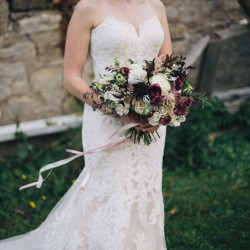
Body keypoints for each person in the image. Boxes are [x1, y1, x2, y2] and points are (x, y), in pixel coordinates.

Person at [0, 0, 172, 249]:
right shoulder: (88, 7)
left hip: (151, 121)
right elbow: (71, 78)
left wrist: (160, 108)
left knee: (144, 186)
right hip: (107, 120)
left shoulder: (156, 5)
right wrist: (115, 108)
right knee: (109, 188)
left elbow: (167, 62)